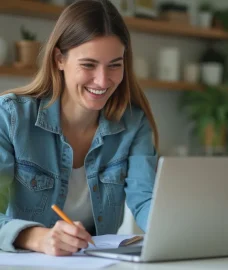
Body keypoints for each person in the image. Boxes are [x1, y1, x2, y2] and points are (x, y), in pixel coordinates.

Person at [0, 0, 158, 256]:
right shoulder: (10, 116)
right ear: (60, 59)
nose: (102, 80)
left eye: (114, 65)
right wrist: (36, 237)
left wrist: (184, 229)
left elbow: (146, 198)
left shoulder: (133, 123)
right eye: (89, 65)